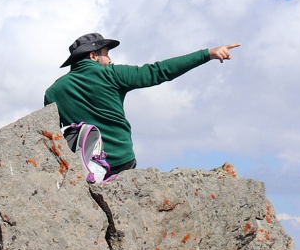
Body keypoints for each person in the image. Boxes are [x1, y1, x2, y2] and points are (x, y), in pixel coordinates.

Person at [43, 34, 240, 178]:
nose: (110, 59)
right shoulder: (111, 74)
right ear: (93, 56)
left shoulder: (53, 92)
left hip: (84, 168)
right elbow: (158, 71)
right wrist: (207, 54)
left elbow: (54, 136)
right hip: (120, 163)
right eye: (106, 53)